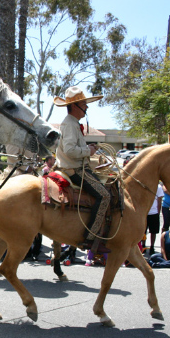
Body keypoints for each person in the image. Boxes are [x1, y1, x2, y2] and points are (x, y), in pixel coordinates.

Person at [53, 86, 110, 249]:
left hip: (77, 168)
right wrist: (88, 150)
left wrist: (89, 150)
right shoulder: (70, 124)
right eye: (84, 104)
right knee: (105, 196)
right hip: (75, 171)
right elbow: (70, 151)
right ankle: (90, 238)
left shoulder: (72, 123)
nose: (86, 107)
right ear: (75, 106)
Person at [146, 183, 164, 255]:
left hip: (154, 212)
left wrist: (158, 212)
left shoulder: (158, 187)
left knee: (153, 232)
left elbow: (159, 200)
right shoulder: (144, 184)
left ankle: (152, 246)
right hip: (145, 212)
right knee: (143, 232)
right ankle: (143, 245)